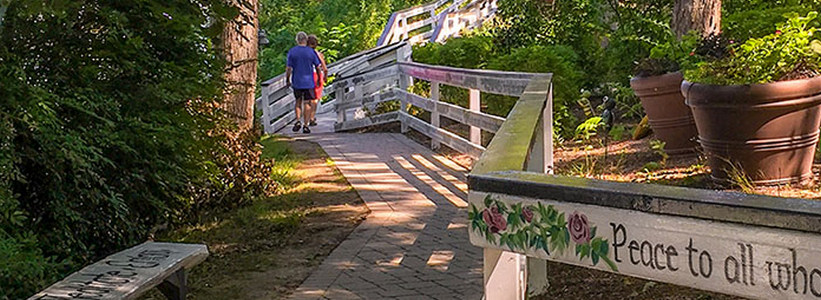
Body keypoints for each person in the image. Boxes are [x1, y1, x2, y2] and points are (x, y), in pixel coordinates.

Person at [286, 32, 322, 133]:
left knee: (298, 101)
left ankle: (298, 120)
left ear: (297, 40)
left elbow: (289, 68)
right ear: (306, 40)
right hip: (309, 81)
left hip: (297, 80)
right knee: (307, 103)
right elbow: (318, 67)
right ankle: (306, 125)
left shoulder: (292, 51)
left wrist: (287, 79)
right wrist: (319, 78)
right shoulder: (311, 52)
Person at [306, 34, 328, 127]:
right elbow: (324, 68)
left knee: (307, 99)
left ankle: (306, 119)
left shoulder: (304, 54)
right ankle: (312, 118)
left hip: (306, 76)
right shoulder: (318, 54)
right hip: (317, 75)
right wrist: (325, 77)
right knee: (314, 99)